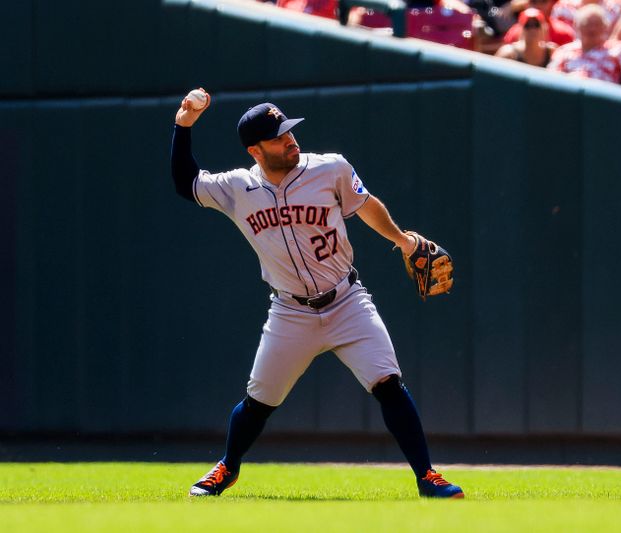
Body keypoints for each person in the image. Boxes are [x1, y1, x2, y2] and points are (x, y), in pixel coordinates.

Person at [170, 90, 464, 499]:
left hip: (347, 301)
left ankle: (427, 476)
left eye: (290, 131)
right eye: (278, 137)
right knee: (259, 401)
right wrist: (183, 125)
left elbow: (364, 204)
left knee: (388, 383)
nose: (290, 140)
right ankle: (227, 466)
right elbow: (186, 182)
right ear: (255, 150)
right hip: (290, 311)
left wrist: (403, 241)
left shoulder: (329, 168)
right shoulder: (237, 187)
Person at [547, 4, 621, 84]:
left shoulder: (616, 50)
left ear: (605, 27)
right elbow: (550, 79)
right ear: (577, 27)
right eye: (586, 24)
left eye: (596, 24)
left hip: (601, 103)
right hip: (570, 99)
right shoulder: (565, 51)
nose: (592, 29)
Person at [502, 0, 575, 46]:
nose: (538, 6)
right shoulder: (514, 33)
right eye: (534, 2)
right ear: (526, 4)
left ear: (551, 3)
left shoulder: (564, 33)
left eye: (543, 1)